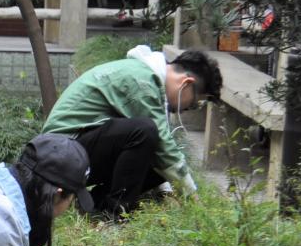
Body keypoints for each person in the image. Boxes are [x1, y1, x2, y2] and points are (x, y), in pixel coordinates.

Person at [43, 46, 223, 218]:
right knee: (146, 132)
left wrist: (165, 189)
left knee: (158, 148)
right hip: (59, 155)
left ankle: (97, 202)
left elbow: (162, 153)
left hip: (70, 150)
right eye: (194, 104)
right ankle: (115, 214)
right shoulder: (143, 83)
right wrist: (193, 198)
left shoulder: (144, 75)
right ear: (186, 83)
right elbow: (164, 148)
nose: (186, 110)